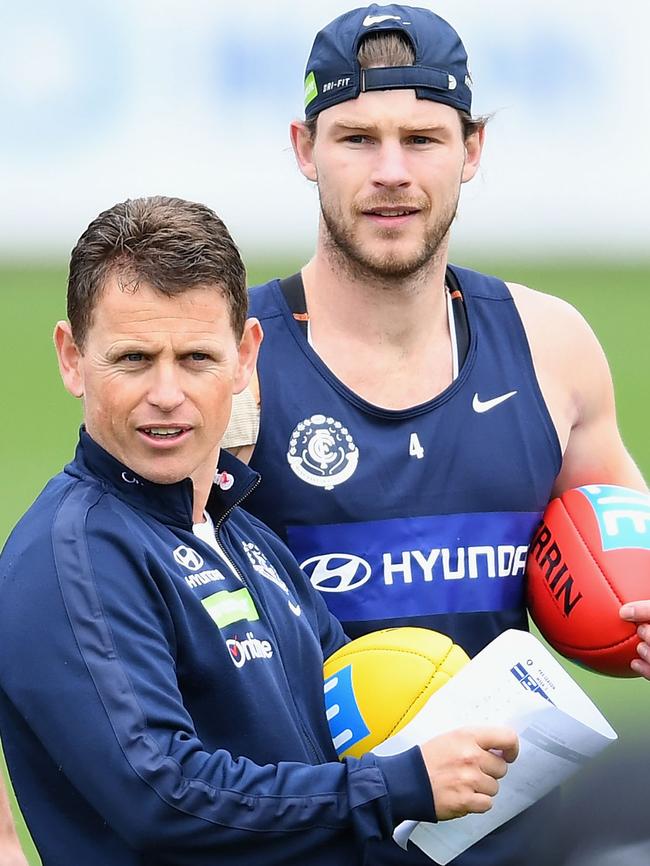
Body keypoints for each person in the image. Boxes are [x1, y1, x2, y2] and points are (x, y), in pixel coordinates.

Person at [222, 4, 650, 863]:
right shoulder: (232, 361)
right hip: (306, 839)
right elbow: (127, 608)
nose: (391, 172)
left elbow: (624, 547)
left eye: (422, 138)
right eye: (356, 139)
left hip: (514, 835)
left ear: (473, 150)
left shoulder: (551, 344)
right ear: (305, 150)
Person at [0, 195, 520, 866]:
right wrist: (402, 784)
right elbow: (164, 798)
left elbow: (342, 743)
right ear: (73, 358)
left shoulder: (249, 540)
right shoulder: (73, 556)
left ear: (246, 357)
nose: (166, 392)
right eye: (132, 359)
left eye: (196, 358)